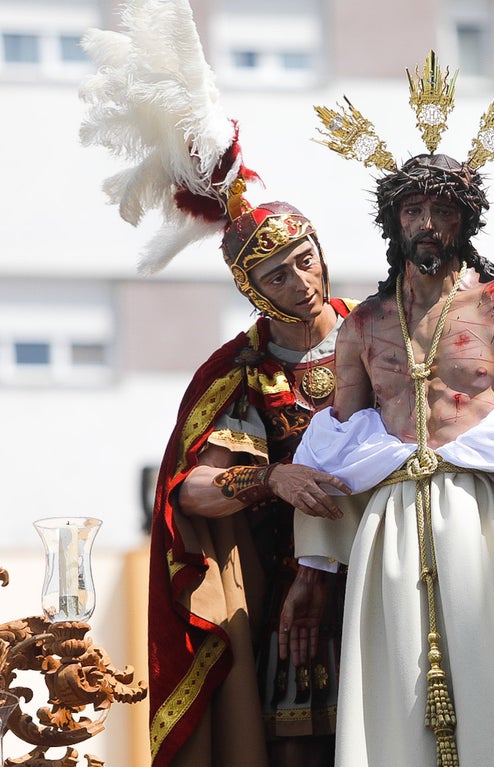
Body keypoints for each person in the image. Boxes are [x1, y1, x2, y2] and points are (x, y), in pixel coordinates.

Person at [288, 61, 494, 767]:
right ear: (393, 221)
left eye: (443, 210)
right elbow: (339, 452)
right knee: (394, 708)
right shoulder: (365, 327)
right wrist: (313, 571)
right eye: (412, 210)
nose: (427, 224)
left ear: (466, 219)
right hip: (388, 534)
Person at [78, 4, 354, 764]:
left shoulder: (380, 334)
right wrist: (273, 477)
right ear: (251, 289)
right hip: (292, 604)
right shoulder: (242, 372)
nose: (300, 281)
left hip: (389, 574)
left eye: (304, 258)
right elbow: (190, 490)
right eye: (276, 273)